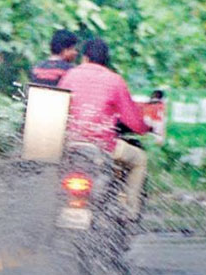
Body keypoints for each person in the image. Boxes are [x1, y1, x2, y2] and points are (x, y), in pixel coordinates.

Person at [59, 39, 150, 220]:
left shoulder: (69, 76)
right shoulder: (114, 80)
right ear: (106, 60)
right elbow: (135, 123)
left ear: (84, 58)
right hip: (102, 147)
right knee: (140, 159)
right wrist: (145, 127)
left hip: (71, 145)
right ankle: (131, 210)